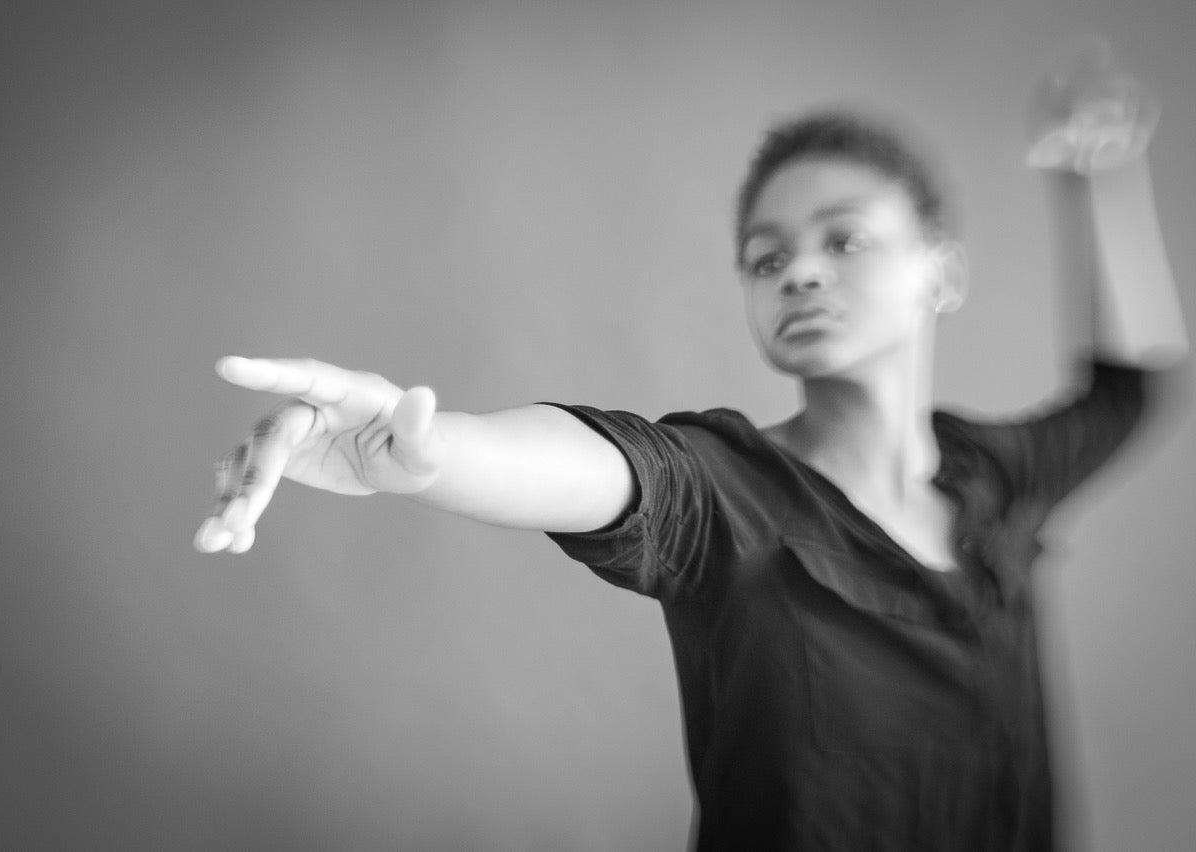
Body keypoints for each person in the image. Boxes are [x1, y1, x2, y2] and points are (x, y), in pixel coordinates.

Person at [193, 57, 1188, 851]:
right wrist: (425, 453)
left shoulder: (991, 481)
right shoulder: (728, 488)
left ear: (942, 274)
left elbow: (1131, 388)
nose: (796, 270)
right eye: (765, 256)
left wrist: (1098, 177)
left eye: (841, 241)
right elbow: (613, 469)